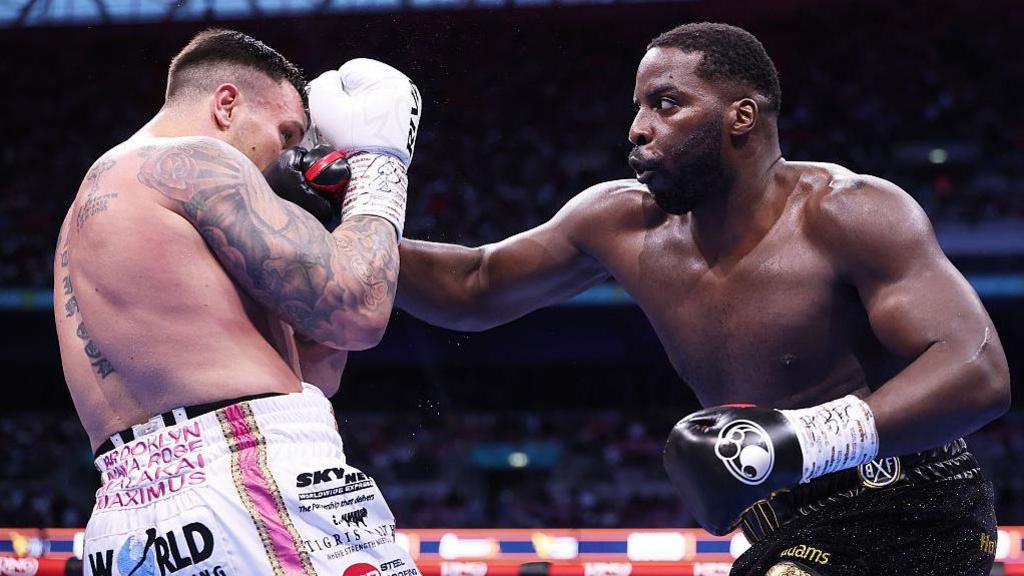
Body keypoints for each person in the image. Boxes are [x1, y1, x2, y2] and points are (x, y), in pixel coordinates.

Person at [396, 22, 1010, 575]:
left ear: (742, 116)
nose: (637, 129)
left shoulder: (847, 212)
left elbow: (977, 369)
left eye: (666, 104)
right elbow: (475, 285)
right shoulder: (619, 223)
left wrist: (797, 441)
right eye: (637, 107)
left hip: (911, 511)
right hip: (781, 535)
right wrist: (336, 228)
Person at [53, 29, 422, 575]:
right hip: (248, 478)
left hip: (126, 520)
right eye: (287, 133)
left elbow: (315, 371)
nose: (291, 157)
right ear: (226, 104)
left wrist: (320, 219)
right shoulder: (193, 161)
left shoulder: (91, 208)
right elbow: (357, 313)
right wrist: (378, 167)